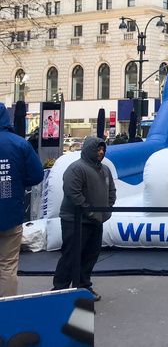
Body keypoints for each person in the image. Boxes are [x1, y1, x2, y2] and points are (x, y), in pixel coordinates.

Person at [52, 137, 116, 301]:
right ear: (89, 149)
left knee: (91, 255)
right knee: (71, 255)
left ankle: (82, 287)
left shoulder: (105, 170)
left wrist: (105, 211)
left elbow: (111, 191)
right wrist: (91, 212)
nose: (101, 152)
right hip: (74, 220)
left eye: (103, 149)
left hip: (96, 220)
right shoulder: (76, 168)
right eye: (97, 149)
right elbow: (73, 193)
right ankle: (59, 290)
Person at [0, 103, 44, 297]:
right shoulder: (19, 144)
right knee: (8, 266)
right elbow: (36, 175)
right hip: (10, 213)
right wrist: (18, 181)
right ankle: (6, 311)